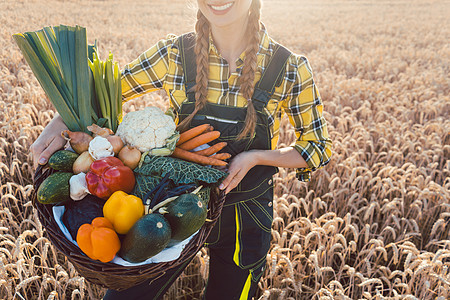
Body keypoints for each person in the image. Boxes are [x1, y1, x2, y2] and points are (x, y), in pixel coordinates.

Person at [31, 0, 332, 299]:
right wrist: (62, 120)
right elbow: (104, 93)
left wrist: (255, 157)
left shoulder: (287, 68)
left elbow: (317, 146)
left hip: (244, 215)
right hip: (170, 204)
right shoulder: (174, 54)